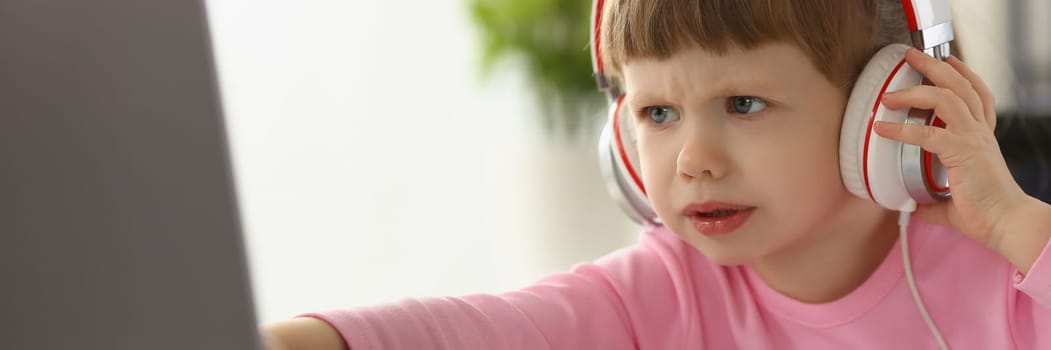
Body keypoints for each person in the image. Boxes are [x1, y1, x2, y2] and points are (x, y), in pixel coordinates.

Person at [261, 0, 1051, 349]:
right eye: (657, 114)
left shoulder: (1003, 283)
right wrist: (305, 342)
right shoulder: (661, 294)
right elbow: (491, 330)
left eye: (742, 102)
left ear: (891, 107)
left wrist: (1022, 227)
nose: (690, 160)